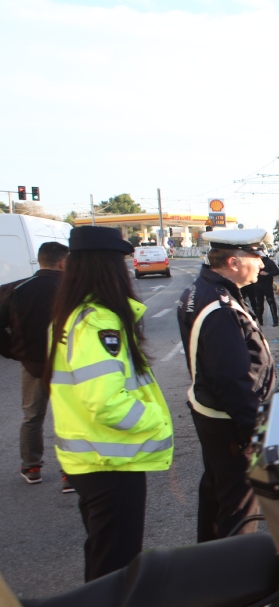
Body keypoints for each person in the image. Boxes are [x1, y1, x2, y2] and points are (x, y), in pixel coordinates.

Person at [47, 226, 174, 580]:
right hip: (110, 461)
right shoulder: (98, 321)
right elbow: (105, 403)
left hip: (91, 459)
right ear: (108, 267)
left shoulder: (71, 315)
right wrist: (156, 422)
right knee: (115, 567)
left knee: (104, 555)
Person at [177, 228, 275, 543]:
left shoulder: (202, 290)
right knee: (239, 506)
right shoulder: (218, 307)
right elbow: (233, 380)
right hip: (229, 422)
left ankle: (207, 562)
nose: (262, 264)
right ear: (233, 262)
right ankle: (231, 577)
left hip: (212, 413)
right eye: (256, 257)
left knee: (216, 493)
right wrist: (257, 432)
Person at [0, 242, 69, 488]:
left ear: (40, 260)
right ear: (62, 262)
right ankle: (69, 472)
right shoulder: (72, 288)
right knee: (68, 416)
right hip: (69, 365)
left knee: (32, 417)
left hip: (32, 364)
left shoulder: (15, 289)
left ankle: (32, 467)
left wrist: (12, 352)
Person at [252, 251, 279, 327]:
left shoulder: (268, 262)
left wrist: (267, 273)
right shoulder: (254, 262)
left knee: (271, 301)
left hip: (267, 285)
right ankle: (259, 320)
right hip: (257, 285)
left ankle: (275, 320)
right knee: (259, 303)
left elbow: (277, 271)